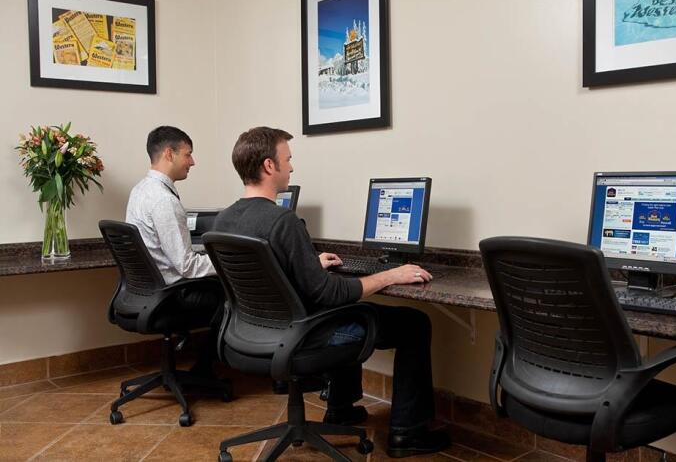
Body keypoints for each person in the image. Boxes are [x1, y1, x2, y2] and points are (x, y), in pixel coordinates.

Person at [213, 126, 451, 458]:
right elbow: (330, 293)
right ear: (269, 165)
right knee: (413, 323)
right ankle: (407, 434)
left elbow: (269, 275)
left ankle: (340, 410)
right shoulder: (283, 222)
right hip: (299, 338)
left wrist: (309, 263)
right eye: (287, 159)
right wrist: (390, 275)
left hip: (248, 334)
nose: (292, 167)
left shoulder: (223, 221)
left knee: (338, 312)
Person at [126, 125, 223, 373]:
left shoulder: (139, 191)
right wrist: (225, 264)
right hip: (170, 295)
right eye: (187, 154)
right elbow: (187, 266)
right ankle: (205, 369)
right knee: (230, 296)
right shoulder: (164, 201)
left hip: (146, 292)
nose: (192, 162)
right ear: (169, 153)